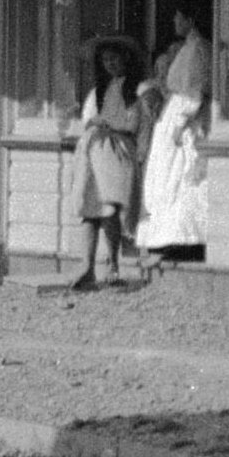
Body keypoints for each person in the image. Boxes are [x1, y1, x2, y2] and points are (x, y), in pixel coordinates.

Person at [142, 0, 217, 269]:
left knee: (181, 179)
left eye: (178, 17)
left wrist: (180, 123)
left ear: (190, 20)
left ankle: (185, 241)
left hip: (185, 122)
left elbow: (194, 91)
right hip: (174, 117)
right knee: (167, 178)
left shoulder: (197, 49)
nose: (175, 21)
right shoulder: (187, 48)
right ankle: (168, 239)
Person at [67, 35, 147, 289]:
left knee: (109, 207)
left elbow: (137, 124)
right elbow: (88, 119)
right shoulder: (99, 92)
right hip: (94, 150)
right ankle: (87, 266)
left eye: (114, 58)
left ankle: (113, 264)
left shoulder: (137, 90)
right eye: (105, 60)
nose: (110, 64)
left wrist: (111, 125)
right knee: (91, 207)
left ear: (125, 59)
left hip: (118, 149)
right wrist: (94, 124)